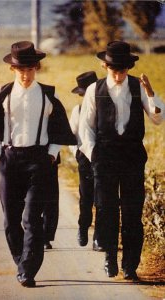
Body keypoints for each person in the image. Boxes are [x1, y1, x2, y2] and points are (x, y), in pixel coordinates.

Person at [0, 41, 76, 288]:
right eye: (21, 70)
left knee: (31, 218)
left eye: (30, 70)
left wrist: (51, 154)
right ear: (13, 70)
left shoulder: (50, 95)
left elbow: (60, 130)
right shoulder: (2, 94)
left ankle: (28, 270)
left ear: (37, 68)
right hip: (10, 160)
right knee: (10, 219)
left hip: (40, 162)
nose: (26, 75)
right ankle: (21, 261)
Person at [79, 41, 164, 281]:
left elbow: (159, 118)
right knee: (106, 210)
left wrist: (150, 92)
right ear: (105, 66)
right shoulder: (94, 90)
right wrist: (94, 154)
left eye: (123, 70)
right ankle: (109, 258)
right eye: (114, 70)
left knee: (132, 211)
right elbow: (86, 129)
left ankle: (130, 265)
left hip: (132, 159)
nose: (118, 75)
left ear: (129, 68)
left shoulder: (138, 86)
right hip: (104, 158)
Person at [69, 71, 105, 252]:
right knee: (86, 198)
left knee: (102, 199)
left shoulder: (106, 108)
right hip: (85, 159)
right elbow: (71, 136)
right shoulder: (77, 110)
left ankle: (98, 238)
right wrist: (77, 152)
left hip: (103, 158)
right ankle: (83, 228)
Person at [43, 154, 60, 250]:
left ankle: (46, 236)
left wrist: (52, 153)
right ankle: (30, 234)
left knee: (50, 199)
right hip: (20, 156)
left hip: (49, 157)